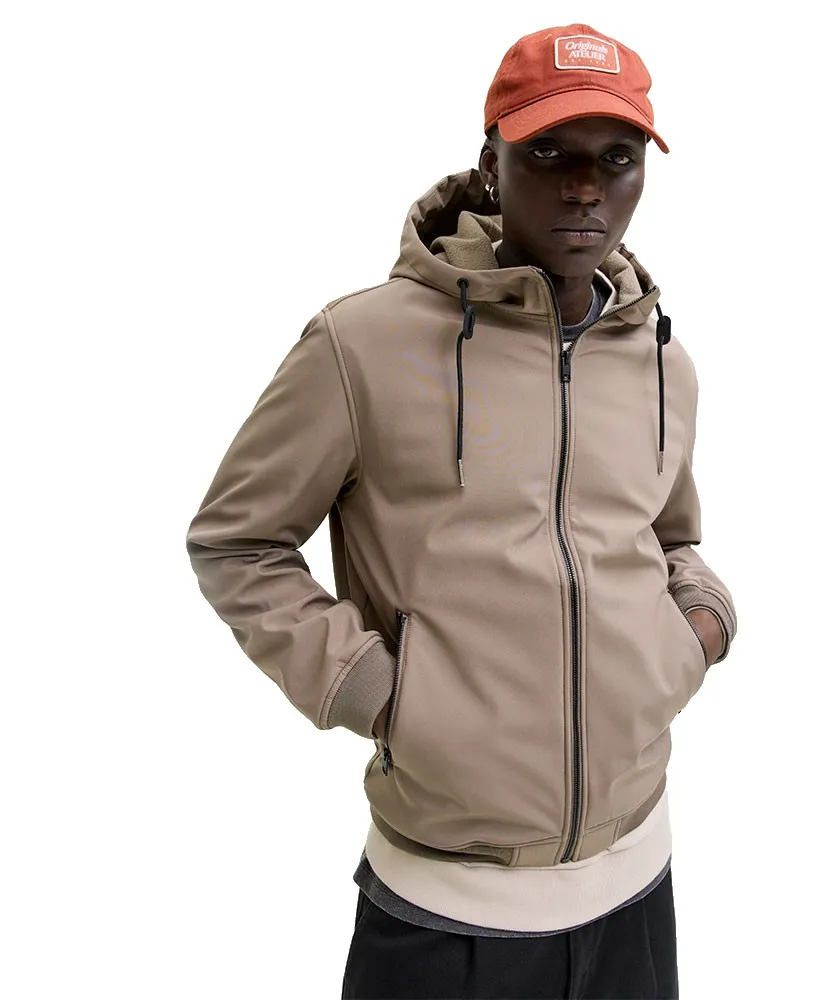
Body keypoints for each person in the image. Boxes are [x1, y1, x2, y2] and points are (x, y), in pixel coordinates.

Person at [186, 22, 737, 1000]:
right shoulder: (362, 345)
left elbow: (669, 532)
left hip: (636, 882)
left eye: (616, 158)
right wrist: (378, 692)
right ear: (490, 163)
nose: (585, 186)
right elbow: (238, 541)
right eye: (549, 152)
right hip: (445, 910)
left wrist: (696, 628)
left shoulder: (659, 356)